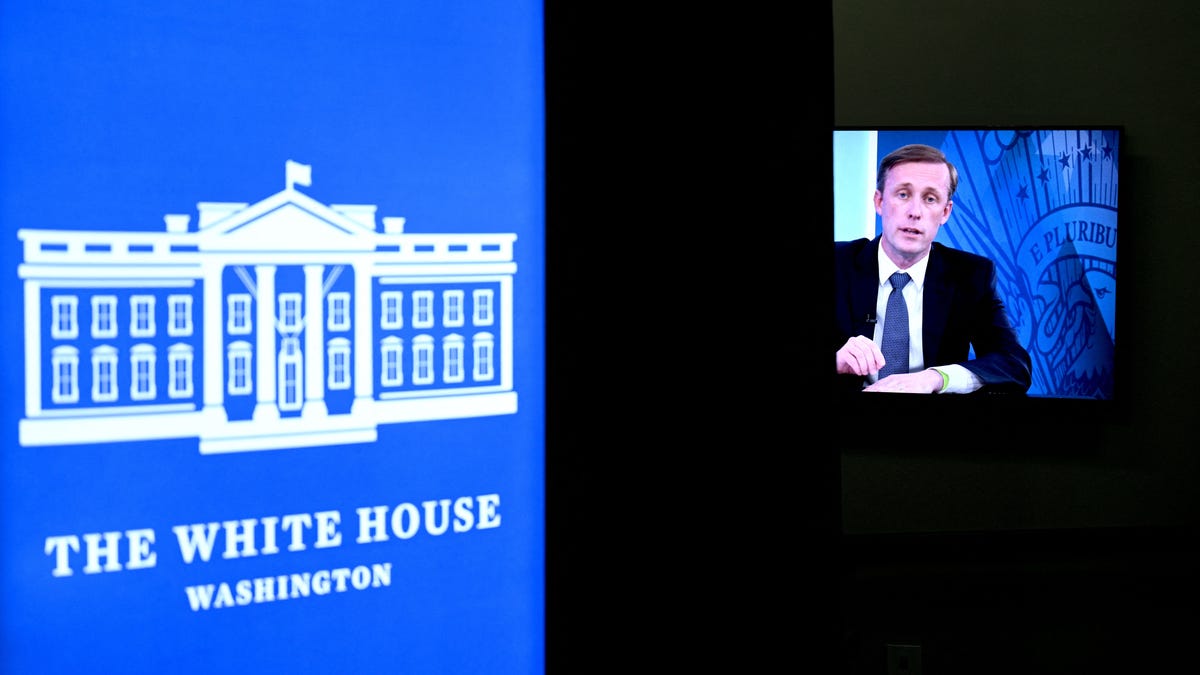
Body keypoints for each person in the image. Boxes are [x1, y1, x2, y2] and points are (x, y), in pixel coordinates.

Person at [834, 143, 1032, 394]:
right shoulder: (837, 263)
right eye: (903, 194)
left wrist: (936, 378)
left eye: (930, 199)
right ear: (879, 201)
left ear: (945, 212)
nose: (915, 212)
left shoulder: (970, 275)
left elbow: (1014, 364)